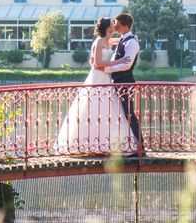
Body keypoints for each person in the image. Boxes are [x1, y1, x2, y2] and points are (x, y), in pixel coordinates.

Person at [55, 17, 133, 155]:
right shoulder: (99, 42)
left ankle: (111, 144)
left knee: (109, 111)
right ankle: (89, 144)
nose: (115, 25)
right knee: (94, 109)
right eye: (112, 23)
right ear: (107, 27)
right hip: (98, 77)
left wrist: (134, 39)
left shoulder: (109, 41)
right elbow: (97, 63)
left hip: (107, 79)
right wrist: (118, 61)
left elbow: (124, 39)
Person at [101, 13, 143, 156]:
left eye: (117, 24)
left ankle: (140, 145)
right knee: (122, 114)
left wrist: (106, 69)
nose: (115, 26)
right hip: (118, 82)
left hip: (125, 82)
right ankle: (127, 143)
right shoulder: (123, 40)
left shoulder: (131, 42)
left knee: (129, 114)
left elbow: (127, 64)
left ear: (125, 25)